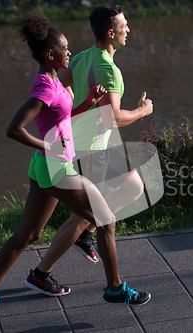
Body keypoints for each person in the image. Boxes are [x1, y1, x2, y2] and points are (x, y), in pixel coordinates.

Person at [0, 12, 119, 331]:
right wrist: (47, 146)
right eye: (65, 48)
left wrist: (85, 105)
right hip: (55, 165)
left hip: (43, 166)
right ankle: (116, 290)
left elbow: (59, 118)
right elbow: (14, 129)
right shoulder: (44, 89)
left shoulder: (51, 80)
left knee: (29, 235)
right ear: (50, 54)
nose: (70, 52)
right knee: (105, 219)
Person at [57, 5, 153, 287]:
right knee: (88, 216)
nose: (129, 30)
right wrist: (143, 111)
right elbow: (114, 119)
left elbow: (60, 88)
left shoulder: (84, 57)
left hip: (93, 146)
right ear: (111, 33)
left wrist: (79, 106)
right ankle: (44, 272)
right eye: (124, 26)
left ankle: (52, 263)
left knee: (133, 188)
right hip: (93, 149)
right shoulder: (108, 69)